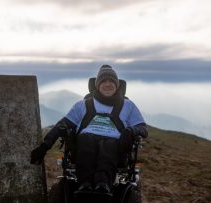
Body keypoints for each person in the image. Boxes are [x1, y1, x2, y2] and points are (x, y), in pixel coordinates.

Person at [31, 64, 148, 194]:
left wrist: (131, 131)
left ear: (117, 85)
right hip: (85, 141)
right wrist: (44, 147)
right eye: (103, 81)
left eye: (111, 81)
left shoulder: (128, 106)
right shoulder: (83, 105)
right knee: (86, 139)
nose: (108, 84)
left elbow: (142, 128)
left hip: (115, 144)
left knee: (108, 144)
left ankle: (103, 185)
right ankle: (84, 185)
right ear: (97, 85)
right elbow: (61, 126)